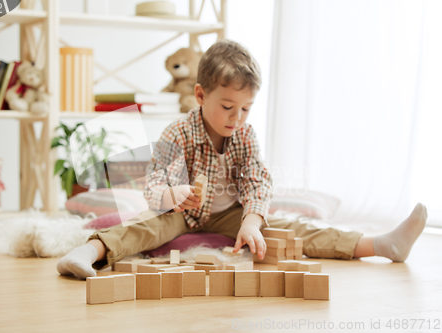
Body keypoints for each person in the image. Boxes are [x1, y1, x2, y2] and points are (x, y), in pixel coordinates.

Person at [57, 40, 428, 280]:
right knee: (143, 226)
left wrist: (251, 222)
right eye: (228, 107)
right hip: (179, 212)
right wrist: (174, 194)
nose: (237, 118)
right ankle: (87, 252)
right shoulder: (176, 132)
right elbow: (153, 187)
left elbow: (256, 181)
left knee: (290, 228)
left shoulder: (245, 136)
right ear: (200, 96)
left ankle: (379, 245)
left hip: (230, 212)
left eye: (247, 108)